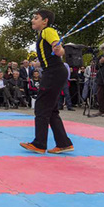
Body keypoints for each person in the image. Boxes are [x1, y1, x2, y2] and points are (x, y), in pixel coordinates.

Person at [20, 10, 73, 154]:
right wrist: (35, 65)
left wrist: (58, 49)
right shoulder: (43, 34)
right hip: (54, 71)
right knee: (51, 110)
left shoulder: (48, 31)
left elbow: (58, 50)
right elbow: (48, 57)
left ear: (45, 21)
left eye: (36, 18)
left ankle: (39, 144)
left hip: (53, 73)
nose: (32, 20)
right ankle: (63, 143)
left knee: (41, 107)